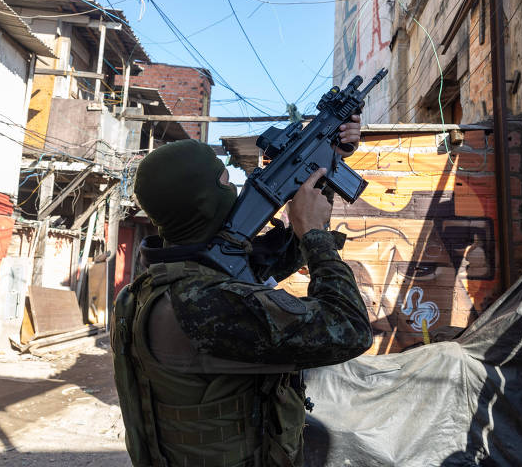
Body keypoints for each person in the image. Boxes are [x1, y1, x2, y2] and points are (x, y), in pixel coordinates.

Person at [111, 116, 373, 467]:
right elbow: (349, 329)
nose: (237, 192)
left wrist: (325, 162)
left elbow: (269, 261)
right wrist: (314, 235)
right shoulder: (206, 305)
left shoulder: (156, 286)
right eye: (226, 183)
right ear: (204, 203)